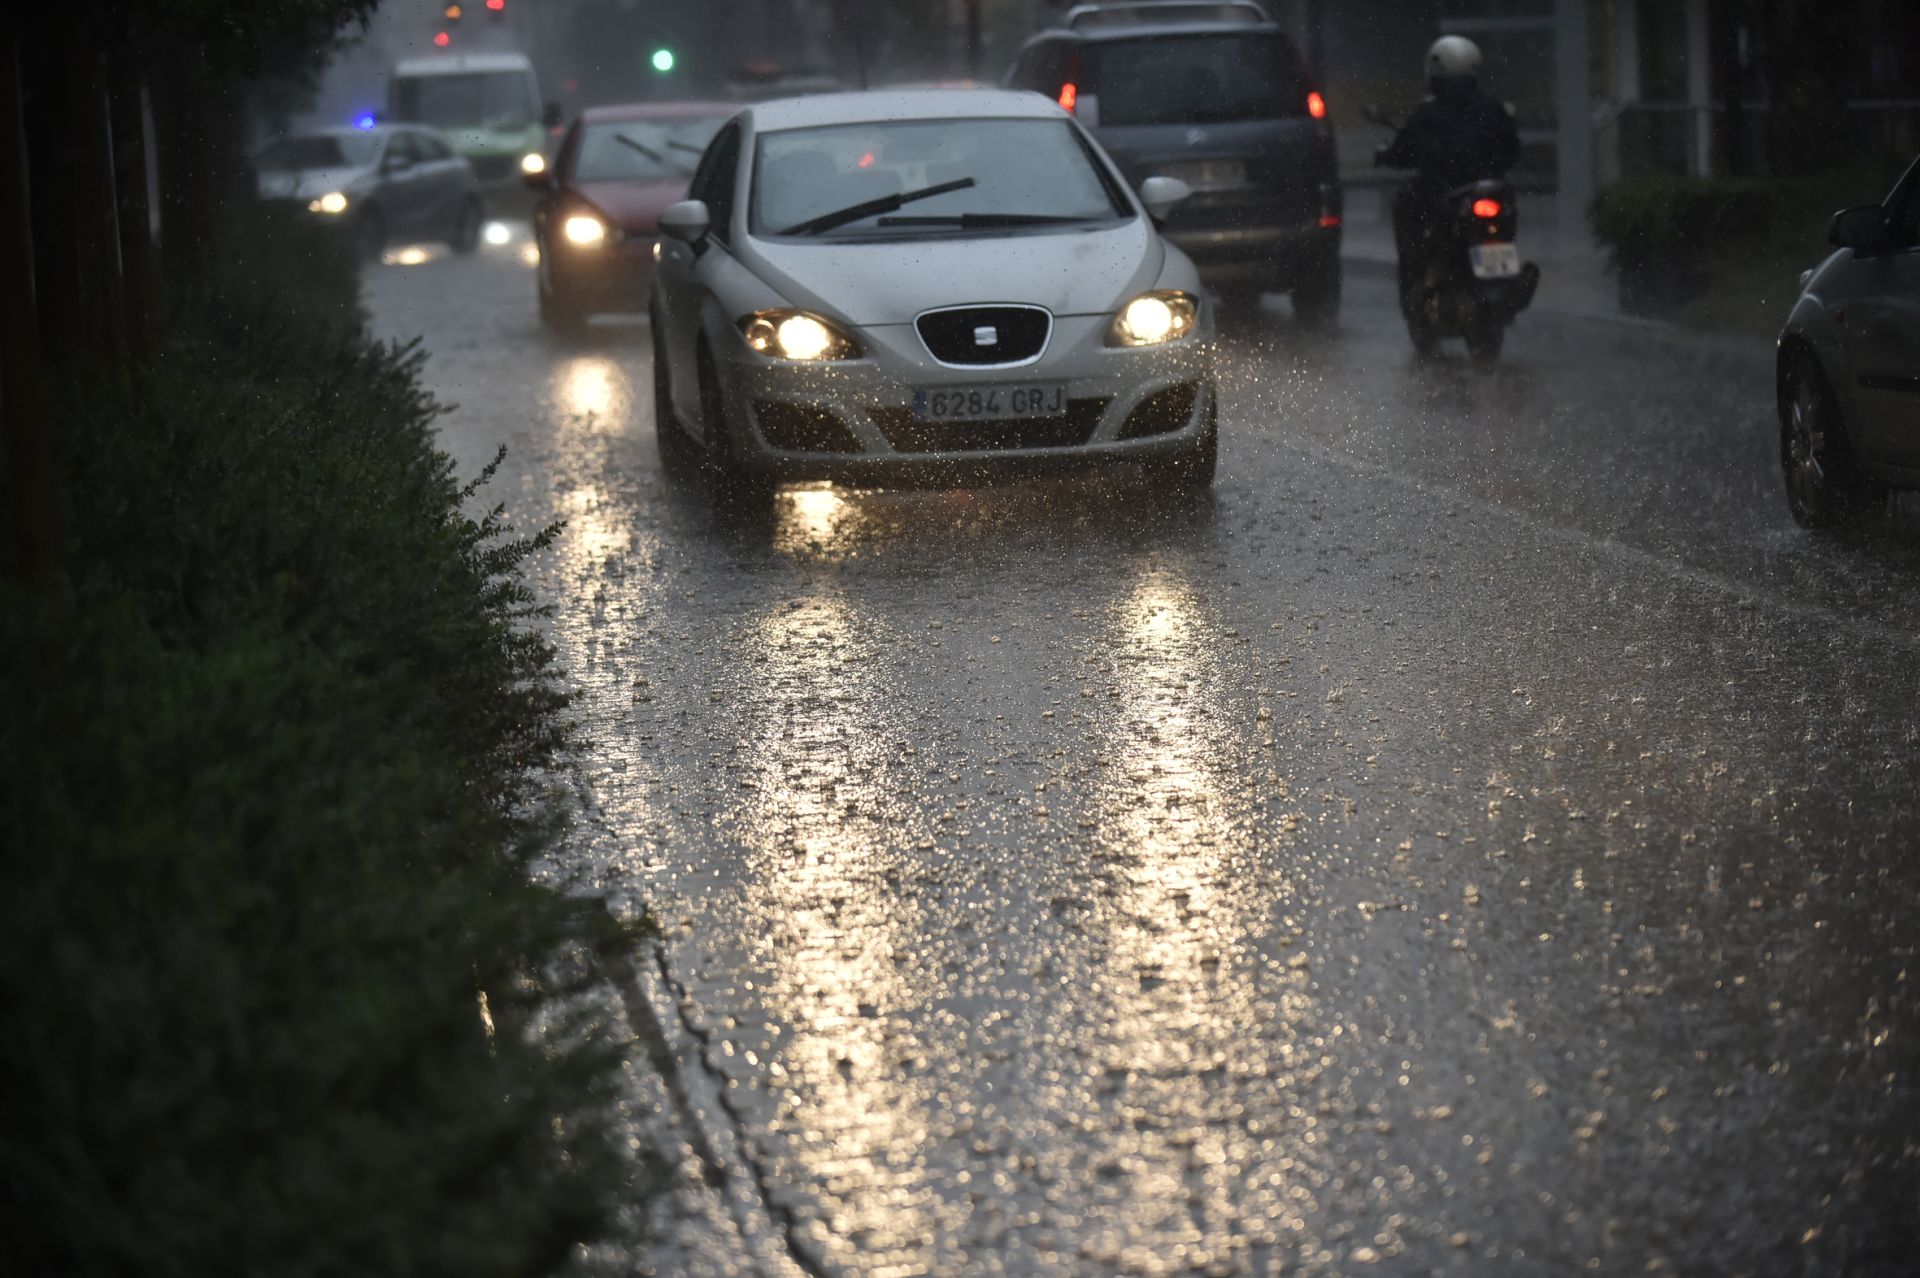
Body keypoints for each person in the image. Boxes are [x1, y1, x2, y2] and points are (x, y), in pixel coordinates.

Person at [1376, 36, 1522, 315]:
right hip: (1485, 190)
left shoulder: (1429, 113)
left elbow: (1405, 150)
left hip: (1446, 194)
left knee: (1408, 208)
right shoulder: (1491, 107)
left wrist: (1386, 155)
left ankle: (1416, 278)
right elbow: (1512, 148)